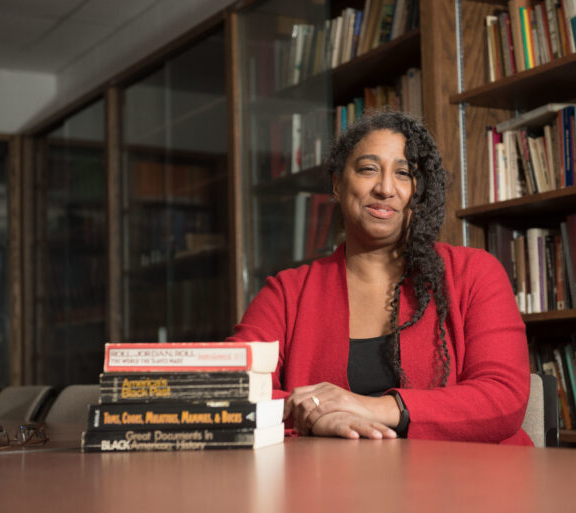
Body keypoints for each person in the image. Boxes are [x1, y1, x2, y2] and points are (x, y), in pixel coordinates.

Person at [228, 111, 532, 445]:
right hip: (329, 475)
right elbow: (231, 390)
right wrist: (315, 418)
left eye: (404, 173)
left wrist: (373, 407)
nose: (385, 188)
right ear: (337, 184)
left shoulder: (474, 273)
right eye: (368, 169)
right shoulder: (287, 293)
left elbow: (503, 396)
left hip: (464, 473)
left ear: (418, 191)